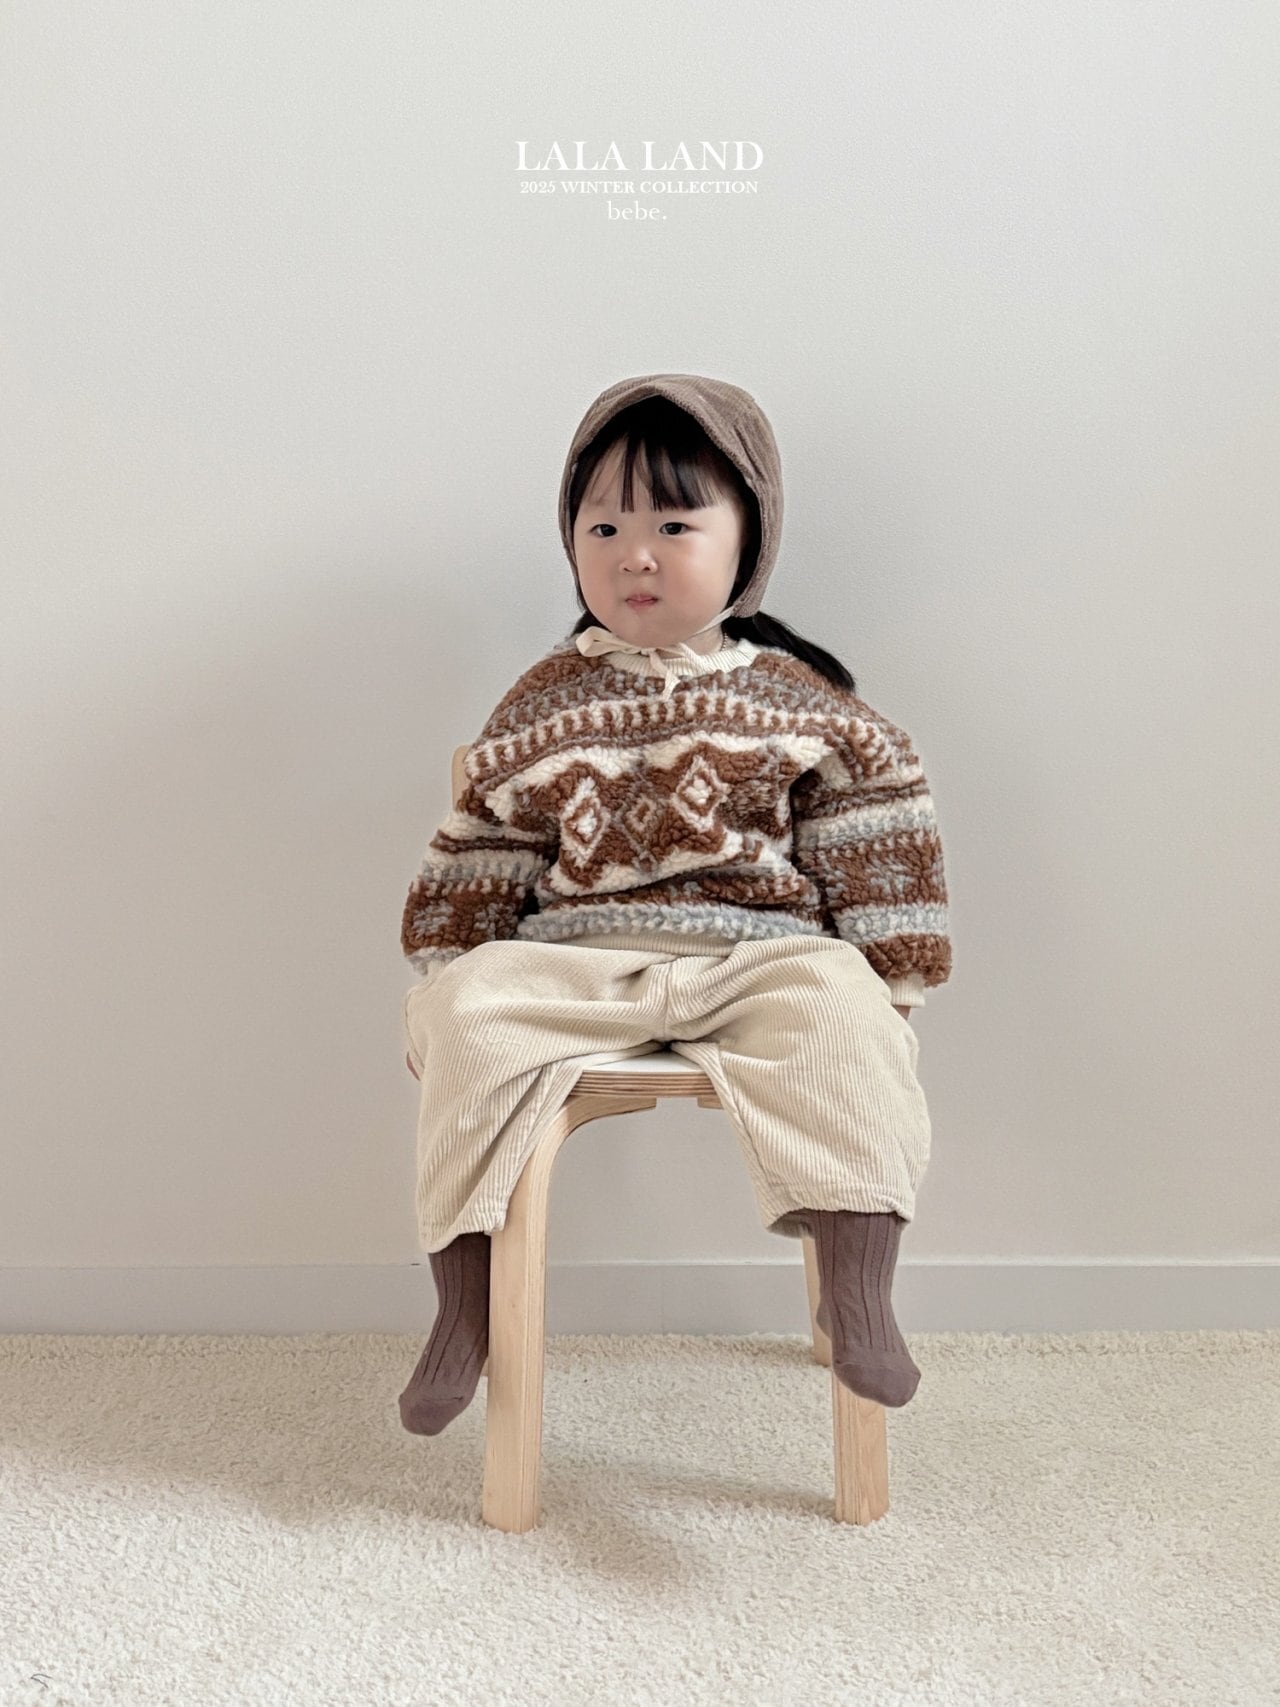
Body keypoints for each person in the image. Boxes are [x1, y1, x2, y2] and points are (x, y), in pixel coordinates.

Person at [397, 373, 953, 1437]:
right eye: (602, 527)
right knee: (465, 1017)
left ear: (749, 542)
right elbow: (487, 833)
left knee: (845, 1018)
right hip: (579, 957)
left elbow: (876, 816)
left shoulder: (795, 697)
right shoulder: (544, 699)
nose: (633, 555)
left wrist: (894, 965)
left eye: (673, 525)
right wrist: (453, 959)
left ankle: (859, 1294)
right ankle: (464, 1312)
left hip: (756, 954)